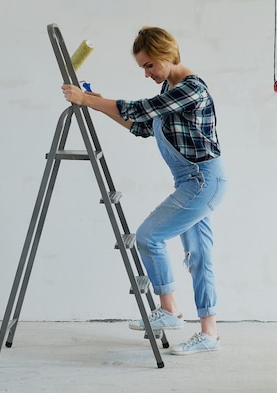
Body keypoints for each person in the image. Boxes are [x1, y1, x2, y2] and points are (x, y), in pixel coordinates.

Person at [61, 26, 227, 355]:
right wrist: (94, 103)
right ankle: (209, 334)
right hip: (192, 181)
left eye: (150, 65)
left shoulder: (190, 89)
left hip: (202, 180)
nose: (147, 73)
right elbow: (140, 126)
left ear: (167, 55)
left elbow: (141, 109)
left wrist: (88, 99)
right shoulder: (169, 89)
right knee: (199, 257)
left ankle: (169, 310)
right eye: (143, 67)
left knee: (149, 236)